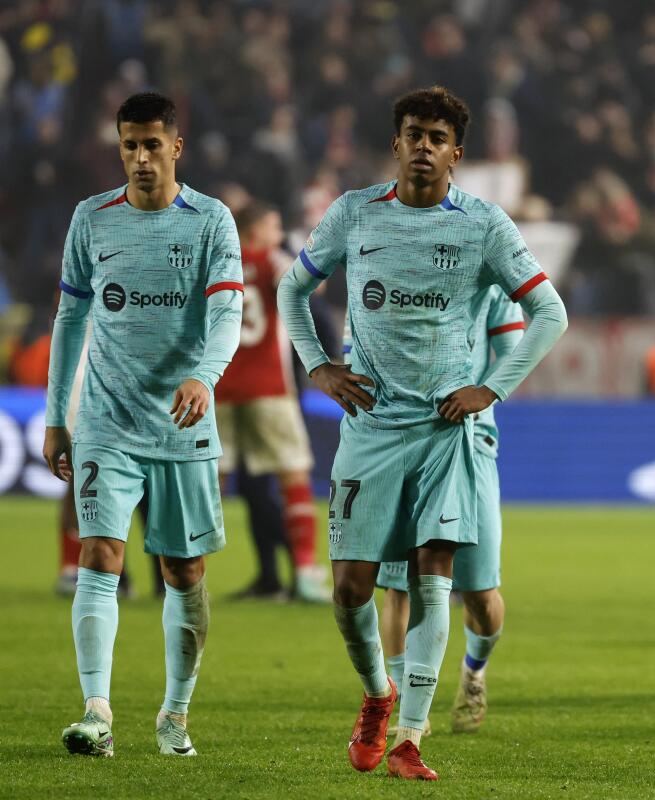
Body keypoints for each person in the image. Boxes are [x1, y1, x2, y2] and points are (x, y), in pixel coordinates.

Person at [278, 86, 567, 781]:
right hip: (373, 427)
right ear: (397, 143)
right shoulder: (353, 214)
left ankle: (409, 734)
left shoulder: (483, 225)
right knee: (351, 587)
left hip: (447, 431)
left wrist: (490, 387)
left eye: (438, 137)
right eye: (414, 133)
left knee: (437, 580)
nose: (425, 146)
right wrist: (317, 366)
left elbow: (548, 312)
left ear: (457, 154)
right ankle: (378, 695)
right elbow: (292, 290)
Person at [43, 92, 243, 757]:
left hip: (181, 423)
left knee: (183, 573)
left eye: (152, 143)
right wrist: (56, 417)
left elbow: (226, 318)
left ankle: (174, 715)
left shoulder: (212, 222)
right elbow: (70, 321)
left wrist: (203, 376)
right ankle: (96, 712)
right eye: (129, 144)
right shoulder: (91, 220)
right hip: (105, 418)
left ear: (175, 147)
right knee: (99, 554)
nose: (140, 157)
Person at [375, 284, 525, 736]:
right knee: (399, 585)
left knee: (479, 592)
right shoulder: (391, 269)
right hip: (401, 440)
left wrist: (486, 392)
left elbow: (515, 355)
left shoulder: (493, 285)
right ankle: (401, 696)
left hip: (469, 441)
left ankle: (474, 670)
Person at [216, 200, 328, 603]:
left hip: (219, 388)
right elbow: (308, 283)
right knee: (293, 474)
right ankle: (304, 572)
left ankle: (182, 570)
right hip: (269, 388)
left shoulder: (216, 261)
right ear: (253, 232)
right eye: (272, 226)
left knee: (209, 481)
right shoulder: (271, 259)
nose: (278, 235)